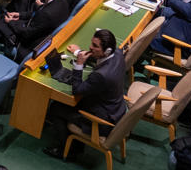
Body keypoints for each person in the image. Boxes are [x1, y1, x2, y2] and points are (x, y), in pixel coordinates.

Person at [42, 29, 128, 158]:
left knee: (56, 107)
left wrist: (79, 64)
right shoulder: (118, 53)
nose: (90, 47)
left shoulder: (101, 76)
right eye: (92, 43)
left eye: (95, 46)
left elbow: (77, 90)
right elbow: (101, 60)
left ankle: (69, 150)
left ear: (107, 50)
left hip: (102, 120)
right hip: (116, 109)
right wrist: (78, 52)